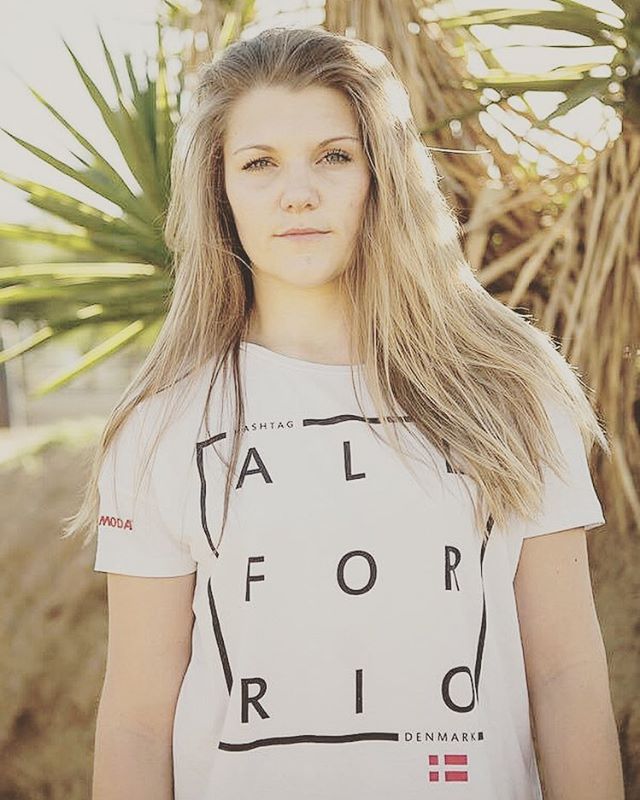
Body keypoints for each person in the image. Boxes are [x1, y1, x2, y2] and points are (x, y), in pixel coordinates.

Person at [66, 25, 625, 800]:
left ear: (382, 175)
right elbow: (135, 720)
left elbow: (564, 675)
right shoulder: (161, 426)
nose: (298, 192)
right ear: (219, 191)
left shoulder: (510, 390)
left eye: (334, 156)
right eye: (259, 163)